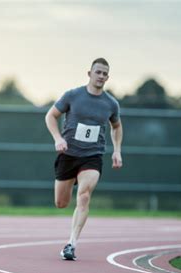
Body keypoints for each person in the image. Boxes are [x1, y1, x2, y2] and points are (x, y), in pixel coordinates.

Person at [45, 58, 123, 260]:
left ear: (108, 77)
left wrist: (117, 150)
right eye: (98, 72)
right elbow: (50, 116)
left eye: (105, 74)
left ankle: (71, 244)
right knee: (61, 203)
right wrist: (57, 138)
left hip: (92, 156)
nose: (101, 76)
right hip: (68, 154)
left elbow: (117, 126)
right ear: (89, 73)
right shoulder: (73, 95)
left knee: (85, 195)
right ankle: (72, 181)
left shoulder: (111, 103)